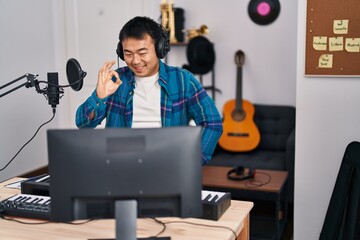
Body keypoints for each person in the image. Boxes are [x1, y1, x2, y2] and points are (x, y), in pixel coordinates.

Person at [75, 16, 223, 164]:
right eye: (128, 54)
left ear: (160, 49)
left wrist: (191, 161)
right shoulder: (115, 80)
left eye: (142, 53)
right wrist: (99, 97)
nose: (135, 61)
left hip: (168, 167)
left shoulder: (183, 80)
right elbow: (83, 124)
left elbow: (212, 122)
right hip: (120, 166)